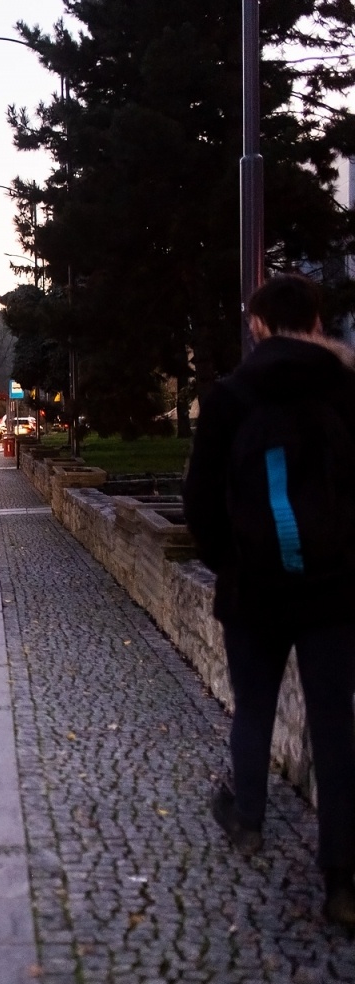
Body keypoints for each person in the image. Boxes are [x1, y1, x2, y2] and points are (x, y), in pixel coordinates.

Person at [182, 273, 355, 928]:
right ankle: (341, 877)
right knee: (334, 725)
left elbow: (201, 501)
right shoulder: (345, 390)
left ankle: (248, 817)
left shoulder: (230, 397)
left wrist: (230, 563)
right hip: (334, 589)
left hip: (254, 587)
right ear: (315, 322)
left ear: (257, 325)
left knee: (253, 707)